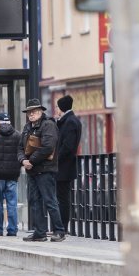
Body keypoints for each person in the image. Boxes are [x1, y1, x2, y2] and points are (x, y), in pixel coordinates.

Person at [18, 99, 66, 242]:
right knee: (34, 201)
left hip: (45, 169)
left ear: (41, 111)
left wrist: (30, 161)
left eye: (33, 111)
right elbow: (20, 147)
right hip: (32, 170)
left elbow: (48, 147)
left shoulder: (48, 125)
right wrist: (23, 160)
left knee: (50, 201)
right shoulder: (27, 127)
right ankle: (40, 232)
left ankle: (59, 231)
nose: (30, 114)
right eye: (28, 112)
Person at [55, 95, 83, 234]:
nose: (56, 109)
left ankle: (62, 227)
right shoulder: (69, 120)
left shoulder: (70, 122)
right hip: (64, 166)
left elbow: (68, 146)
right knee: (62, 197)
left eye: (57, 107)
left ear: (61, 108)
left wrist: (55, 158)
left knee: (62, 198)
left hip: (64, 167)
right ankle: (60, 226)